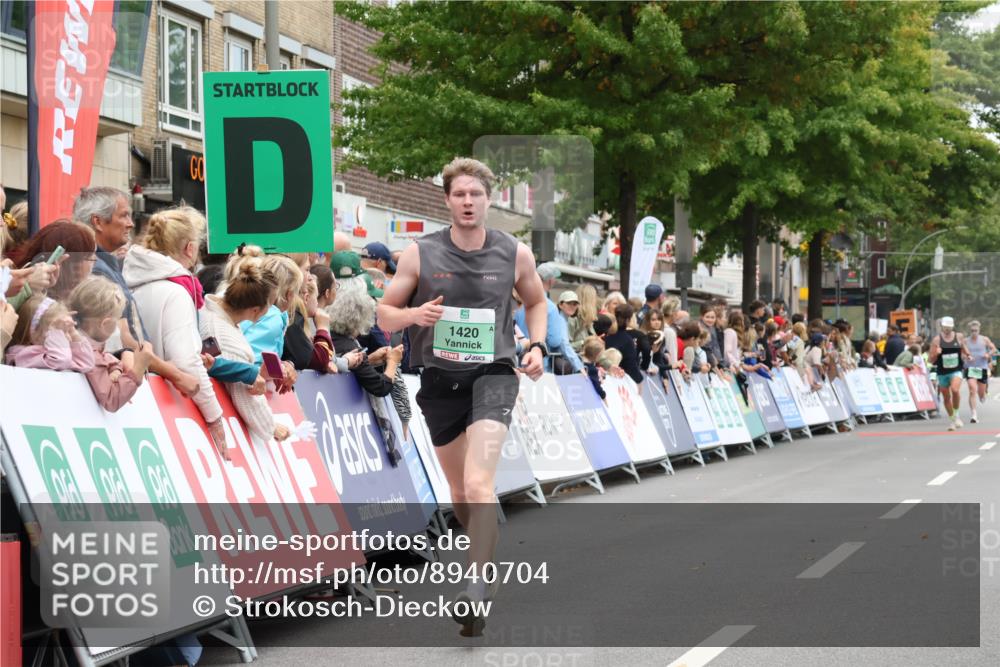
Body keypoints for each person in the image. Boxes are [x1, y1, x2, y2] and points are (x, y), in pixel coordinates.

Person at [375, 157, 546, 636]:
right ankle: (483, 559)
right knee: (459, 493)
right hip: (439, 381)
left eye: (476, 194)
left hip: (494, 376)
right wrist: (414, 317)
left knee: (477, 483)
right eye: (459, 194)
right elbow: (385, 313)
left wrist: (536, 345)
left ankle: (475, 585)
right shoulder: (420, 253)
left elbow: (536, 301)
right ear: (447, 200)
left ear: (488, 199)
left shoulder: (514, 252)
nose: (468, 202)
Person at [74, 187, 200, 399]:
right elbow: (124, 337)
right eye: (124, 215)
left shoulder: (106, 265)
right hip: (119, 389)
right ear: (98, 222)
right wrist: (176, 375)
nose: (131, 224)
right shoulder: (95, 269)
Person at [124, 206, 227, 455]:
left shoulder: (130, 282)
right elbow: (186, 361)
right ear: (190, 249)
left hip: (136, 401)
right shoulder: (176, 292)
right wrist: (214, 416)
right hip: (165, 408)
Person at [200, 259, 290, 451]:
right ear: (256, 310)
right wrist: (271, 427)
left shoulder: (214, 311)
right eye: (270, 304)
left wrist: (258, 373)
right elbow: (244, 398)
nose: (272, 310)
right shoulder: (227, 340)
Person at [69, 276, 153, 412]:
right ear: (106, 324)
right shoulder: (88, 356)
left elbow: (103, 357)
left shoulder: (75, 343)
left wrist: (115, 368)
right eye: (117, 319)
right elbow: (111, 399)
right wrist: (138, 368)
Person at [515, 263, 583, 374]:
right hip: (540, 366)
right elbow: (555, 341)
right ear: (550, 280)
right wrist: (578, 366)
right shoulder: (550, 307)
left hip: (517, 363)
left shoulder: (520, 304)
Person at [5, 294, 95, 371]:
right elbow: (60, 361)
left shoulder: (59, 350)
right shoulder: (23, 353)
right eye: (60, 331)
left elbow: (85, 364)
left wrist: (73, 333)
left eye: (67, 331)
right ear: (34, 335)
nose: (68, 337)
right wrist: (57, 333)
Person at [928, 316, 972, 431]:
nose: (947, 329)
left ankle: (956, 414)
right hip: (942, 372)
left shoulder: (959, 336)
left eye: (949, 327)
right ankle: (953, 419)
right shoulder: (937, 340)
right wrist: (936, 353)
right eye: (945, 327)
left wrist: (968, 355)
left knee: (955, 390)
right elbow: (930, 360)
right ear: (942, 327)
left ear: (953, 327)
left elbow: (963, 347)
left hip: (956, 369)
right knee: (946, 397)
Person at [964, 320, 996, 424]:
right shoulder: (965, 341)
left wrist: (988, 354)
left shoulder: (984, 339)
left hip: (982, 368)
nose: (974, 332)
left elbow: (993, 349)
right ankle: (974, 414)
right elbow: (962, 353)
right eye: (972, 330)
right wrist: (966, 356)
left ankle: (983, 394)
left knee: (981, 394)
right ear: (969, 331)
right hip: (970, 368)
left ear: (979, 330)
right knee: (972, 390)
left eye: (976, 330)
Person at [604, 303, 644, 385]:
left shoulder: (604, 335)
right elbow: (631, 365)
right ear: (628, 320)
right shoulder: (627, 340)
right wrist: (639, 380)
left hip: (603, 376)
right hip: (618, 380)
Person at [581, 335, 607, 401]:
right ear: (597, 356)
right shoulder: (592, 369)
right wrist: (603, 395)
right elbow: (597, 386)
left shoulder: (577, 359)